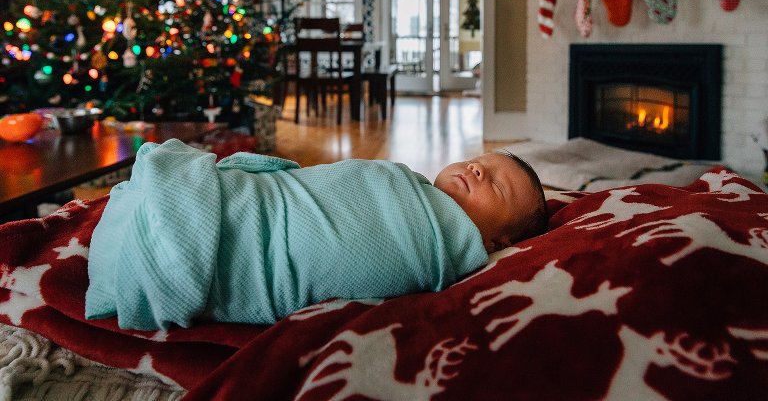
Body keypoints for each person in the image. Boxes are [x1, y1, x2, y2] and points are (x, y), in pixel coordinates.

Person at [85, 140, 547, 330]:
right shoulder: (404, 181)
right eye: (479, 162)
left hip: (252, 250)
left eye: (495, 183)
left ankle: (171, 229)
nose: (475, 170)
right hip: (256, 204)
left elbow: (344, 245)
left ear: (496, 243)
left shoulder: (438, 246)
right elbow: (320, 185)